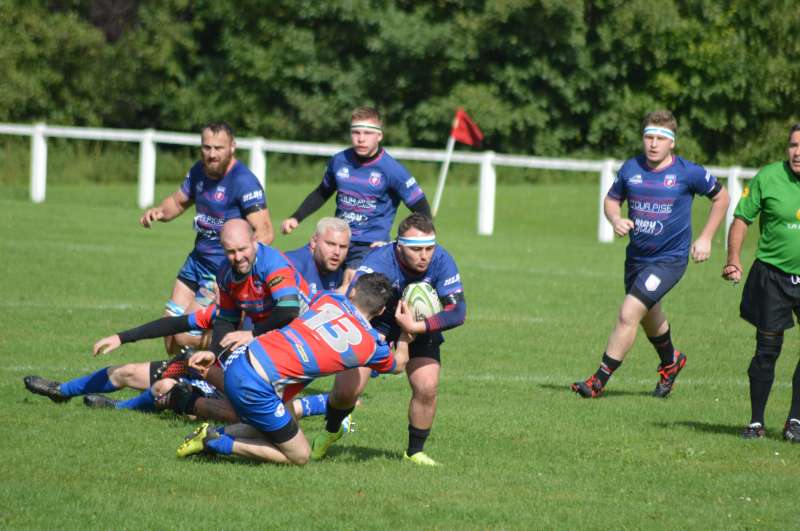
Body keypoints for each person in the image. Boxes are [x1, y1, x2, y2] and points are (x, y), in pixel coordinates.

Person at [572, 110, 730, 399]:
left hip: (669, 260)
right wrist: (615, 219)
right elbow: (611, 200)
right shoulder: (631, 169)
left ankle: (598, 381)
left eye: (660, 138)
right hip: (636, 259)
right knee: (648, 315)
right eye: (649, 137)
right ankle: (671, 361)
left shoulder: (688, 172)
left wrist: (706, 237)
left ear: (672, 142)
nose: (654, 144)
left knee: (628, 313)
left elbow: (722, 197)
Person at [176, 273, 413, 465]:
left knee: (282, 425)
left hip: (242, 359)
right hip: (257, 384)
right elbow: (399, 364)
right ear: (381, 311)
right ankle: (213, 442)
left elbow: (328, 300)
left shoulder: (329, 299)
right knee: (299, 455)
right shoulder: (371, 346)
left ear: (353, 292)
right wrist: (406, 331)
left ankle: (217, 432)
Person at [311, 213, 467, 466]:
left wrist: (415, 327)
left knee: (427, 387)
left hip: (418, 323)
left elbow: (458, 311)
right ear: (399, 246)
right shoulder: (380, 262)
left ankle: (414, 451)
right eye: (416, 249)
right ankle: (331, 430)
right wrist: (376, 334)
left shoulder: (441, 260)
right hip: (376, 322)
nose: (424, 256)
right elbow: (354, 305)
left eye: (429, 248)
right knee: (346, 392)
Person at [139, 122, 274, 354]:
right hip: (195, 264)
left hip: (220, 273)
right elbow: (178, 201)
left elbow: (265, 232)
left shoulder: (243, 182)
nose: (212, 154)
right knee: (170, 335)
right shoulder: (198, 172)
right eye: (207, 147)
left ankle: (234, 347)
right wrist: (160, 212)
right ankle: (187, 374)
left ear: (232, 147)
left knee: (184, 335)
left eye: (218, 148)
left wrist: (236, 273)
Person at [280, 107, 431, 285]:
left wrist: (395, 243)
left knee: (350, 282)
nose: (361, 139)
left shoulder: (392, 170)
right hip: (339, 238)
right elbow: (322, 192)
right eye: (356, 132)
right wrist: (296, 217)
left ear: (379, 136)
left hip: (369, 245)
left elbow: (423, 211)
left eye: (367, 133)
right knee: (302, 268)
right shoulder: (339, 161)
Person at [722, 123, 800, 442]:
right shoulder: (768, 177)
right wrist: (733, 258)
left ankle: (795, 421)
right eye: (793, 145)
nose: (798, 152)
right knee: (767, 350)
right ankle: (756, 422)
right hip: (772, 276)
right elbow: (742, 219)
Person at [285, 217, 350, 298]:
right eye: (331, 244)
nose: (337, 252)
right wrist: (335, 296)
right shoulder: (290, 265)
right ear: (314, 241)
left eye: (343, 247)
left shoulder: (344, 270)